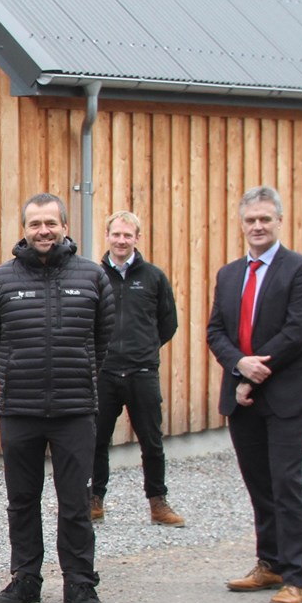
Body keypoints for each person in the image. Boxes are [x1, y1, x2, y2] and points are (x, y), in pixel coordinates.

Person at [0, 193, 115, 603]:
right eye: (35, 224)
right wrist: (18, 375)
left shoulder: (93, 277)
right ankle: (26, 579)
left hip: (75, 409)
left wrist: (77, 375)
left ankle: (79, 583)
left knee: (75, 500)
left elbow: (103, 339)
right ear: (24, 228)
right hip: (20, 408)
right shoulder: (0, 281)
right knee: (22, 499)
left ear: (65, 226)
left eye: (51, 223)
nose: (43, 231)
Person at [206, 186, 302, 603]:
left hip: (287, 393)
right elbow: (215, 333)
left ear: (279, 221)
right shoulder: (228, 274)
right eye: (250, 220)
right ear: (241, 224)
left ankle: (296, 577)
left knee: (286, 483)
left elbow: (297, 332)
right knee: (259, 482)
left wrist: (254, 374)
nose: (257, 226)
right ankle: (270, 563)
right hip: (242, 394)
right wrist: (239, 366)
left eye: (265, 219)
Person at [90, 211, 184, 527]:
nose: (121, 240)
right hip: (104, 372)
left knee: (152, 441)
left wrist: (144, 348)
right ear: (107, 236)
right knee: (96, 440)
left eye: (127, 235)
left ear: (137, 239)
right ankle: (94, 500)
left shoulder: (153, 277)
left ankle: (158, 503)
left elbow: (168, 323)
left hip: (142, 372)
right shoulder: (94, 276)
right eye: (116, 234)